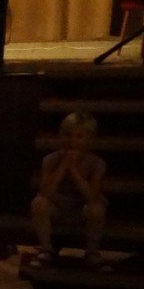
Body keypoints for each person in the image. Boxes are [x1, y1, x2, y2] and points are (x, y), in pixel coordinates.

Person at [30, 111, 108, 270]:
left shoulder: (97, 163)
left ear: (90, 139)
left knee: (97, 209)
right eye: (68, 135)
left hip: (81, 208)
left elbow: (91, 197)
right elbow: (46, 192)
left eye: (79, 136)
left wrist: (73, 170)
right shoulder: (50, 159)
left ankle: (92, 252)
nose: (72, 141)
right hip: (57, 206)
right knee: (38, 202)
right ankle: (46, 250)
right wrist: (64, 165)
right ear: (61, 135)